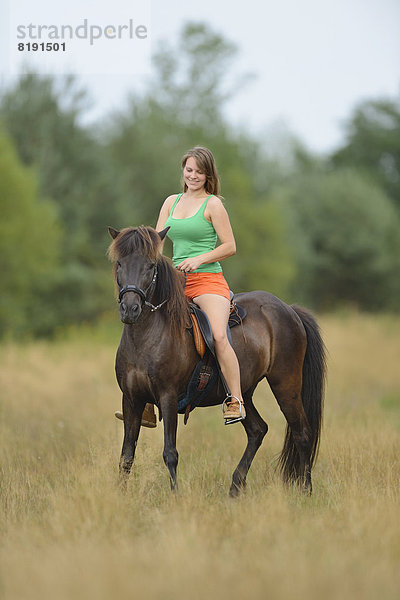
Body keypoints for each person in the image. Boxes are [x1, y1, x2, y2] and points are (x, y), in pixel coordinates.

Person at [115, 146, 245, 427]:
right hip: (176, 280)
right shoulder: (171, 202)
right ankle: (145, 404)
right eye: (189, 170)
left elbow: (230, 246)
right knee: (146, 327)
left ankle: (235, 400)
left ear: (208, 174)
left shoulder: (213, 205)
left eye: (199, 171)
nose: (193, 175)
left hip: (208, 280)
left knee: (219, 337)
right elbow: (156, 245)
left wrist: (198, 259)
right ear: (183, 171)